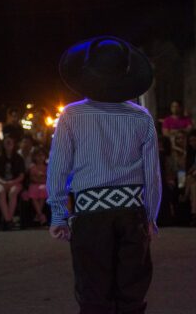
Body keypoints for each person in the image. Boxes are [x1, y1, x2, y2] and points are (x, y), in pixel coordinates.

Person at [47, 36, 161, 314]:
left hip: (90, 215)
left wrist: (59, 215)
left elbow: (58, 168)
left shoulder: (71, 115)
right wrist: (150, 216)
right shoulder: (142, 117)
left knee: (93, 296)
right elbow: (152, 174)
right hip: (131, 213)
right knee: (131, 296)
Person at [0, 134, 25, 230]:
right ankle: (9, 220)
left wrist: (12, 182)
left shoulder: (19, 158)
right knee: (1, 192)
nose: (9, 144)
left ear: (14, 144)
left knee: (13, 192)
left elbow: (21, 176)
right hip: (1, 182)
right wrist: (3, 182)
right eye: (7, 142)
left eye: (10, 142)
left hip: (15, 182)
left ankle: (7, 220)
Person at [27, 146, 48, 225]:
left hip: (44, 185)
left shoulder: (47, 166)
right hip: (34, 184)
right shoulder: (33, 167)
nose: (40, 158)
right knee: (33, 192)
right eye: (38, 156)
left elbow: (48, 178)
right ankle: (40, 215)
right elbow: (32, 178)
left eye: (42, 155)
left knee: (43, 190)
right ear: (34, 157)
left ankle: (38, 215)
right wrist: (40, 179)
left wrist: (42, 180)